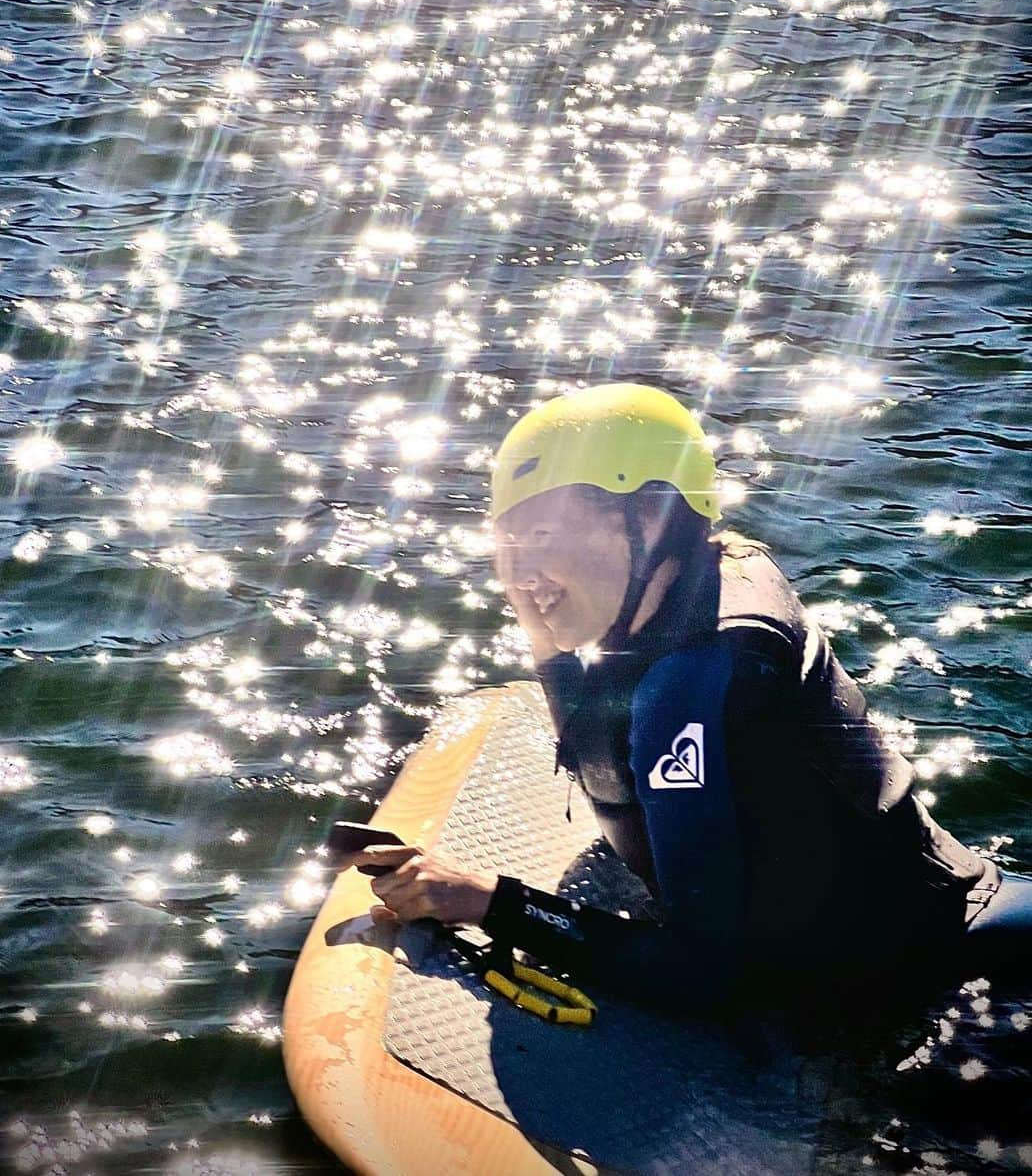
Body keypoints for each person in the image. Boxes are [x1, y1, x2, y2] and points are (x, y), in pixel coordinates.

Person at [346, 383, 1029, 1006]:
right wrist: (543, 626)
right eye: (508, 541)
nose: (518, 571)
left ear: (648, 515)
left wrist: (485, 901)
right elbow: (608, 779)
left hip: (958, 980)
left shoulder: (691, 681)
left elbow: (701, 970)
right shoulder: (702, 579)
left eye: (544, 534)